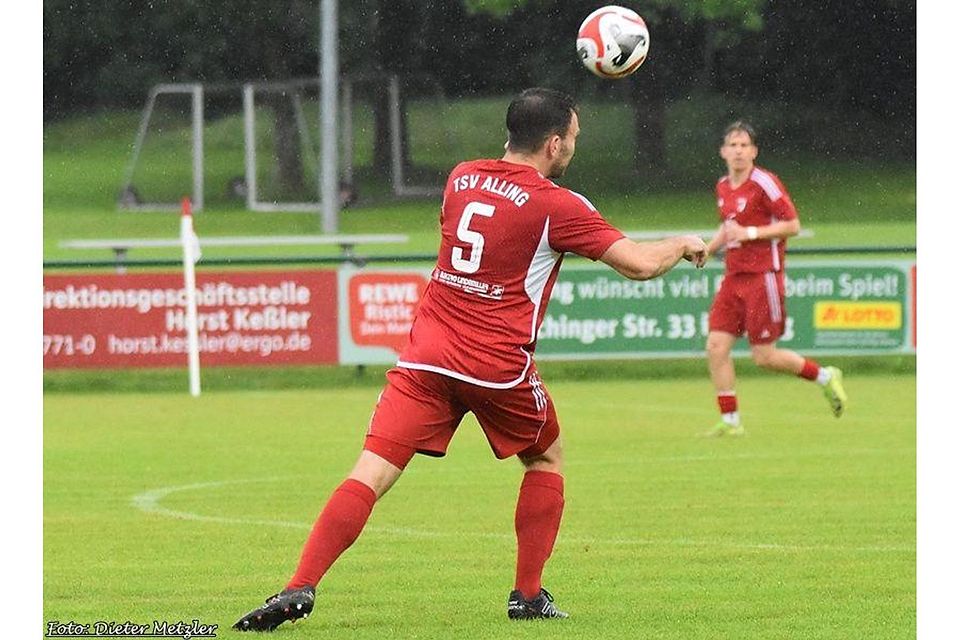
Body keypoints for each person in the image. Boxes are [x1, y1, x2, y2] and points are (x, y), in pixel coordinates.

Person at [233, 87, 707, 632]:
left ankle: (301, 585)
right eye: (573, 138)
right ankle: (527, 597)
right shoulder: (559, 204)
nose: (573, 146)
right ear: (554, 144)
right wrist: (682, 242)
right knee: (546, 458)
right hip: (495, 366)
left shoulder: (461, 178)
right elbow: (640, 265)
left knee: (371, 471)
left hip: (426, 359)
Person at [703, 121, 847, 437]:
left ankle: (824, 375)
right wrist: (708, 249)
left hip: (762, 276)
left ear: (754, 151)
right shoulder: (723, 186)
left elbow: (792, 224)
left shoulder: (765, 183)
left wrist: (752, 232)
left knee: (764, 356)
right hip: (733, 277)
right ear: (723, 151)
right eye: (733, 145)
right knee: (715, 346)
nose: (739, 150)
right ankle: (731, 422)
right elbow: (729, 227)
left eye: (744, 145)